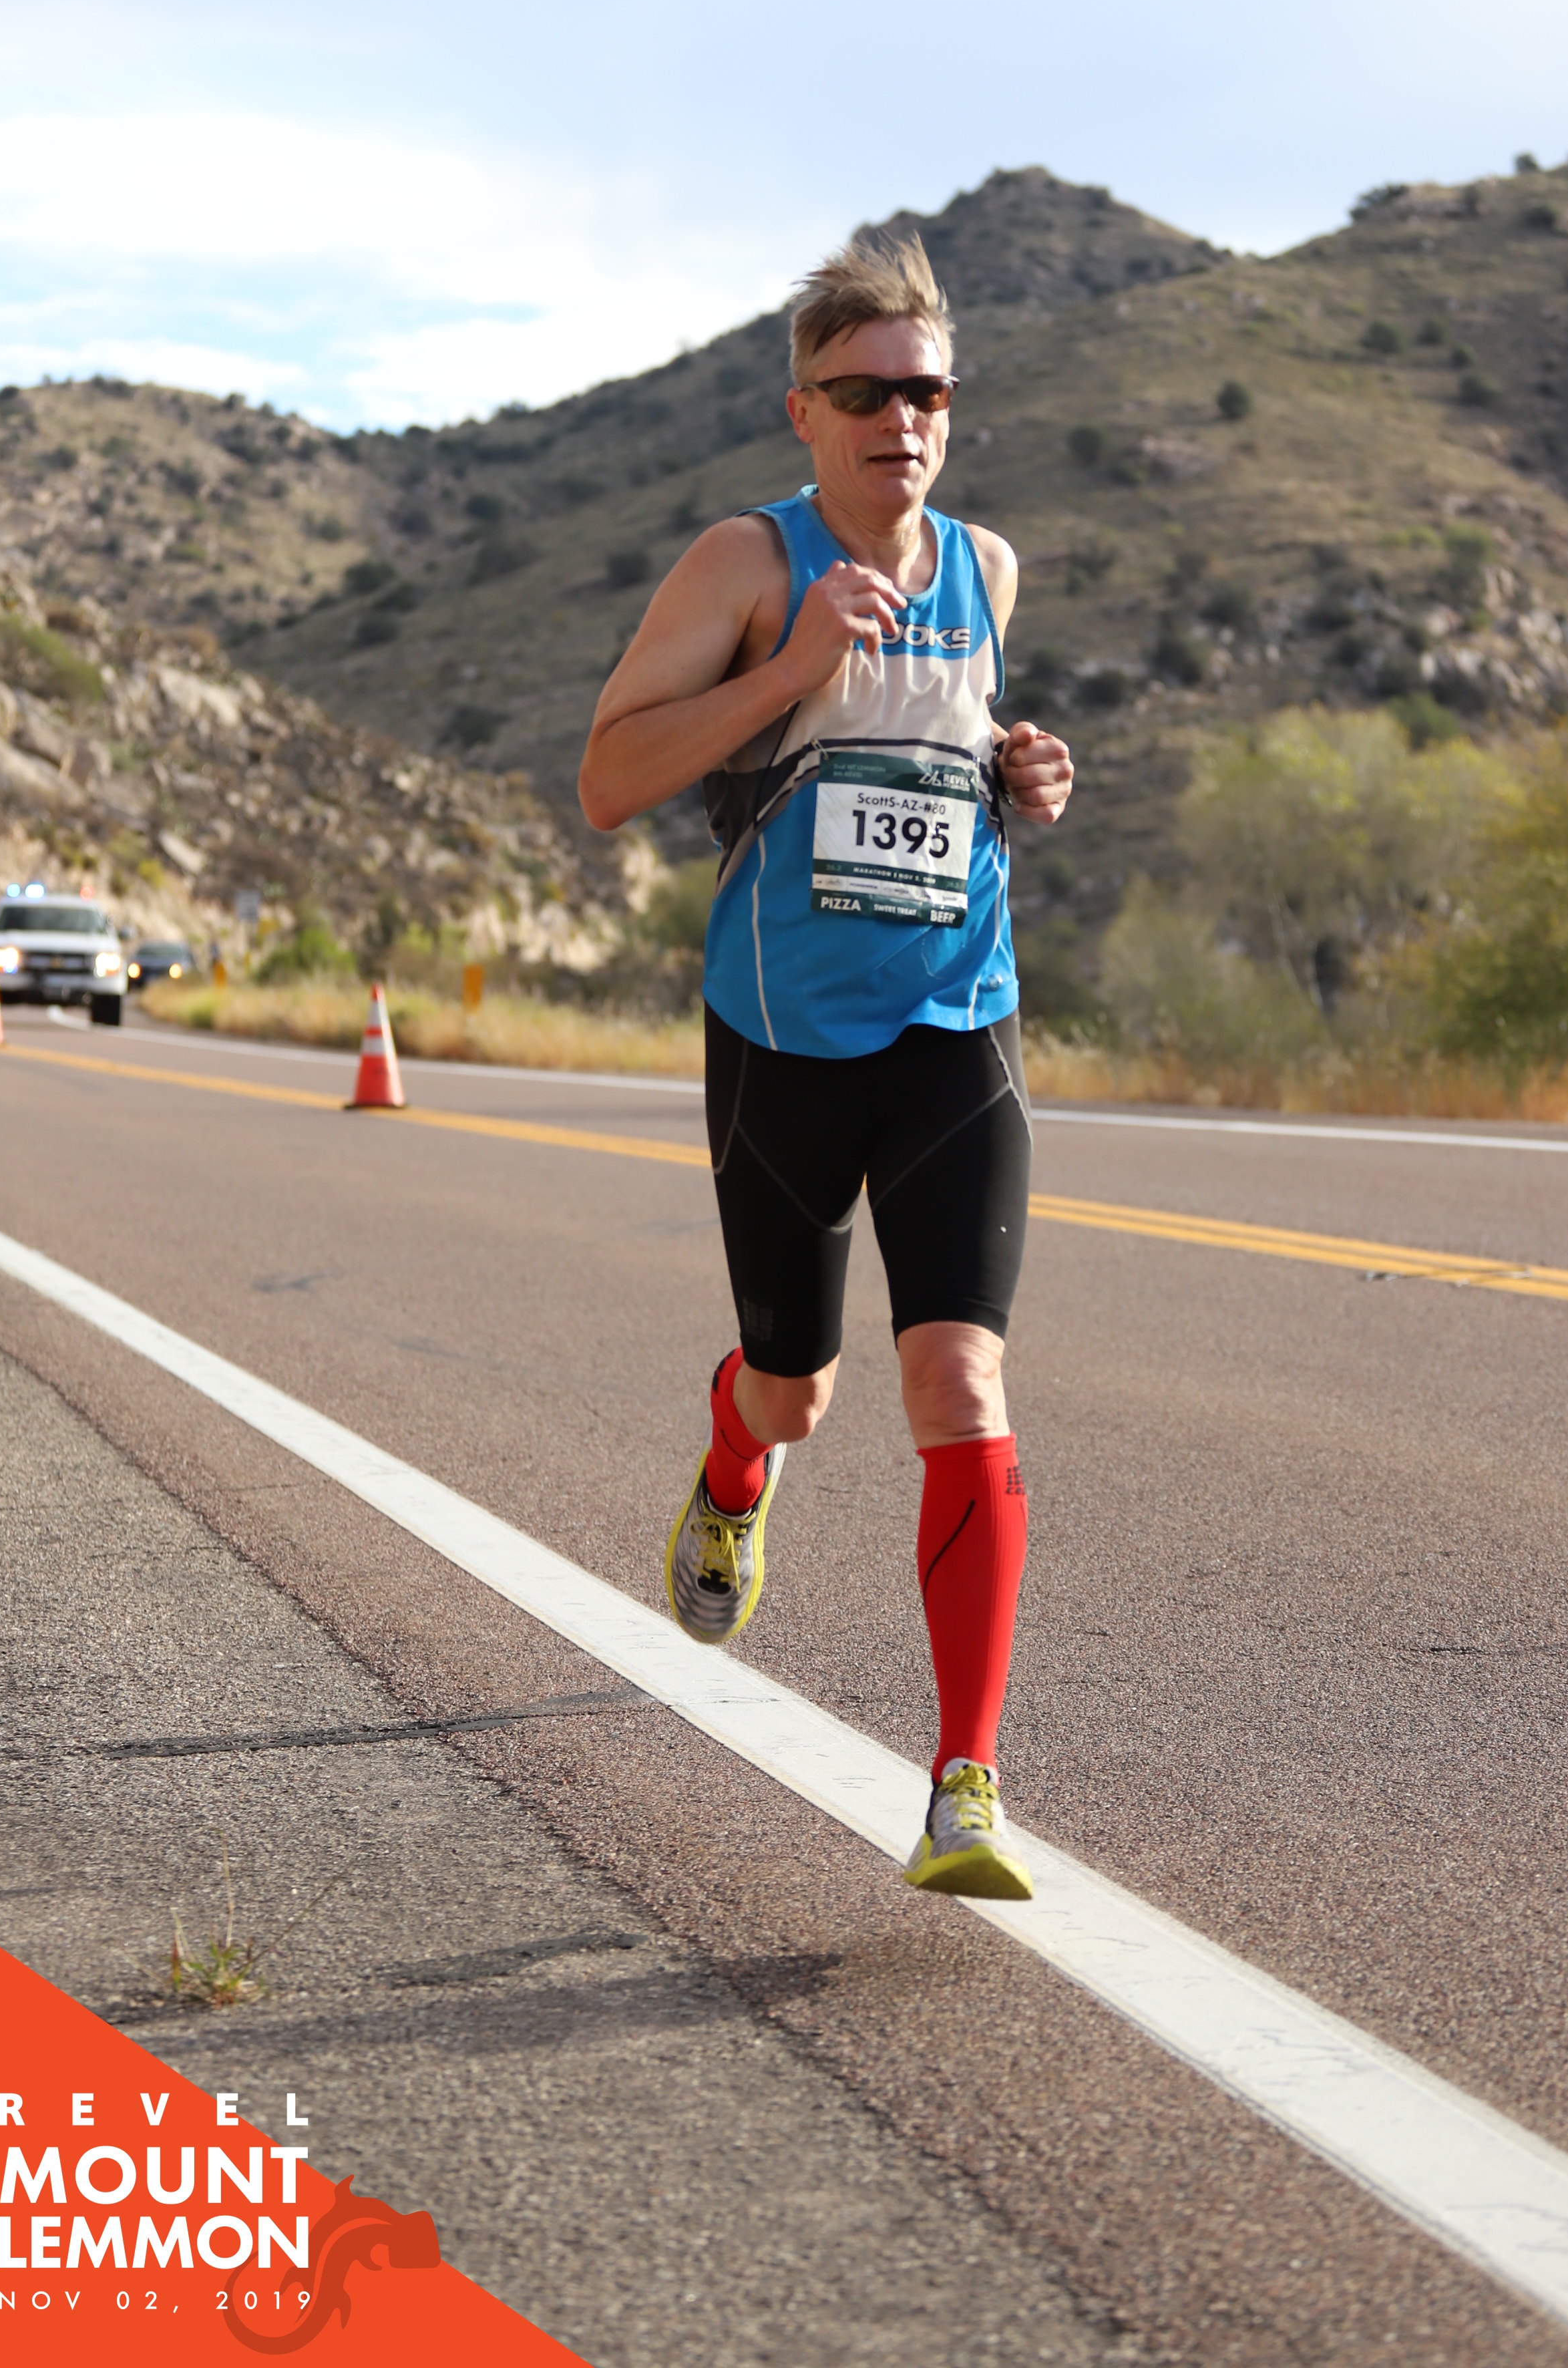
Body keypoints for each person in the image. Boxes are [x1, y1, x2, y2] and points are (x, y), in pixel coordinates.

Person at [578, 232, 1074, 1900]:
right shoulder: (745, 560)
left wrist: (1022, 776)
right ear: (803, 410)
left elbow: (952, 766)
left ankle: (964, 1785)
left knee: (961, 1384)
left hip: (956, 1019)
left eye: (926, 392)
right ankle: (735, 1474)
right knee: (795, 1388)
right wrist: (791, 669)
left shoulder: (986, 570)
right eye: (862, 393)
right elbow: (606, 780)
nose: (899, 420)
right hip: (784, 1037)